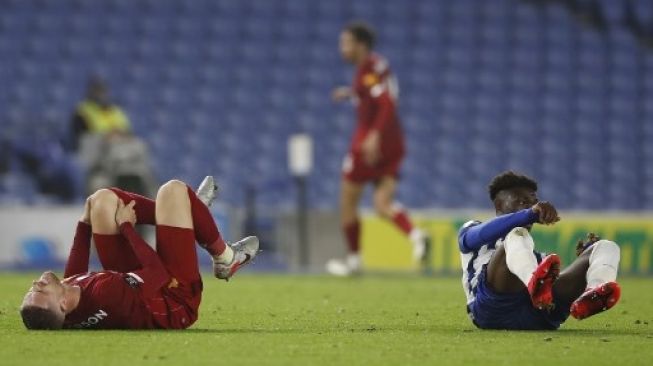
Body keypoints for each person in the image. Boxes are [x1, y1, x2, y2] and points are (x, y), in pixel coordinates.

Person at [19, 176, 259, 330]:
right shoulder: (107, 294)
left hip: (138, 289)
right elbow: (158, 274)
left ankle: (189, 212)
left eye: (31, 290)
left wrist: (84, 223)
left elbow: (74, 275)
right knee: (173, 190)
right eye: (40, 291)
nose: (35, 284)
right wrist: (126, 227)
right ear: (61, 304)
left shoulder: (69, 304)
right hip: (174, 298)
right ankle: (226, 258)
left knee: (100, 202)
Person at [327, 22, 430, 276]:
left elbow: (386, 102)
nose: (343, 49)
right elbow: (374, 95)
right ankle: (417, 235)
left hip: (370, 143)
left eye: (347, 43)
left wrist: (373, 135)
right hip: (395, 141)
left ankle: (353, 261)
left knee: (347, 201)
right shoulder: (375, 67)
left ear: (361, 45)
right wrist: (351, 93)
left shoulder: (369, 68)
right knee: (383, 203)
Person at [458, 171, 621, 330]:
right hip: (493, 309)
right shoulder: (473, 228)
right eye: (521, 201)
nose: (530, 206)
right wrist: (528, 214)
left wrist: (587, 264)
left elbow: (559, 284)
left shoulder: (528, 252)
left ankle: (594, 293)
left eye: (533, 201)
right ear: (499, 205)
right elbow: (475, 236)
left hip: (543, 312)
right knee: (516, 234)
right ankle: (534, 284)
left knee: (606, 247)